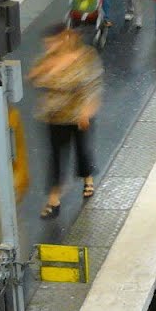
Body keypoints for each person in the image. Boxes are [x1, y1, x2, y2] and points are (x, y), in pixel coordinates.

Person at [29, 24, 102, 219]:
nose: (49, 47)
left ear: (63, 38)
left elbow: (92, 84)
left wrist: (87, 110)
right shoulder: (46, 60)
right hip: (55, 116)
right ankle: (54, 199)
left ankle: (87, 178)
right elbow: (34, 80)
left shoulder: (85, 55)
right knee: (56, 157)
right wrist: (44, 71)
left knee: (81, 150)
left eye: (52, 42)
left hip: (79, 115)